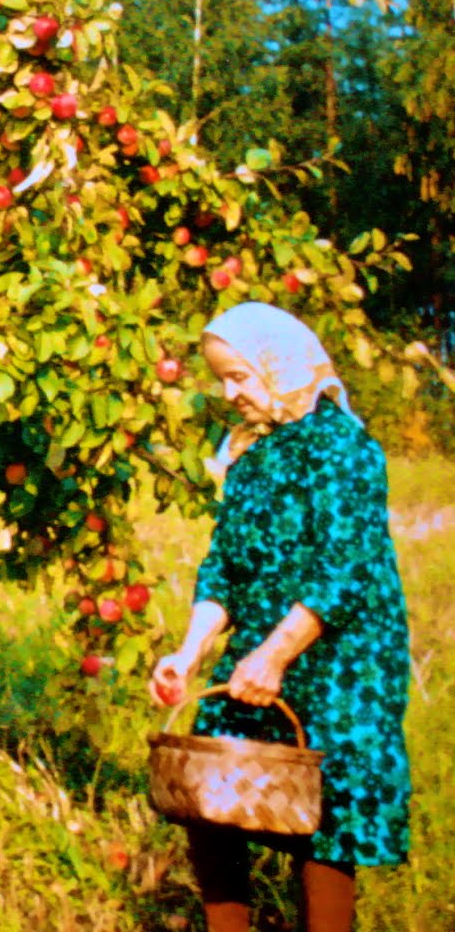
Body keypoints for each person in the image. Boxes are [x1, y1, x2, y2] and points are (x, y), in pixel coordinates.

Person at [150, 302, 411, 932]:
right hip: (256, 663)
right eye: (222, 378)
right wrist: (186, 655)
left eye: (241, 377)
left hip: (341, 663)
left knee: (327, 819)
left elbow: (343, 571)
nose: (229, 392)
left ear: (282, 367)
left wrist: (273, 655)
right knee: (207, 797)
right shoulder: (251, 461)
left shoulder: (345, 450)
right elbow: (224, 571)